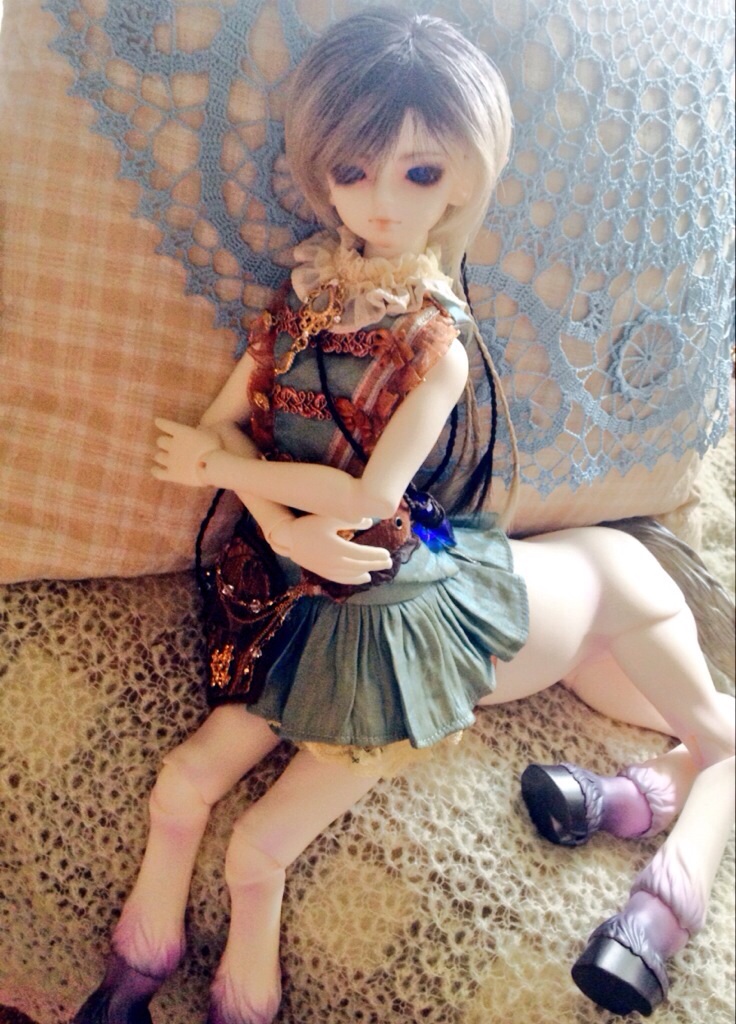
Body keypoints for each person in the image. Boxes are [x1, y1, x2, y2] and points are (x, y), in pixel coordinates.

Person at [73, 9, 734, 1024]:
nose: (382, 202)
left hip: (399, 589)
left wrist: (234, 473)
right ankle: (132, 969)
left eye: (419, 174)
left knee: (260, 848)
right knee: (183, 782)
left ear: (462, 178)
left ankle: (663, 901)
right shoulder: (304, 301)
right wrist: (277, 525)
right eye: (353, 171)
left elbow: (371, 498)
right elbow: (225, 423)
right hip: (305, 573)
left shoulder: (436, 347)